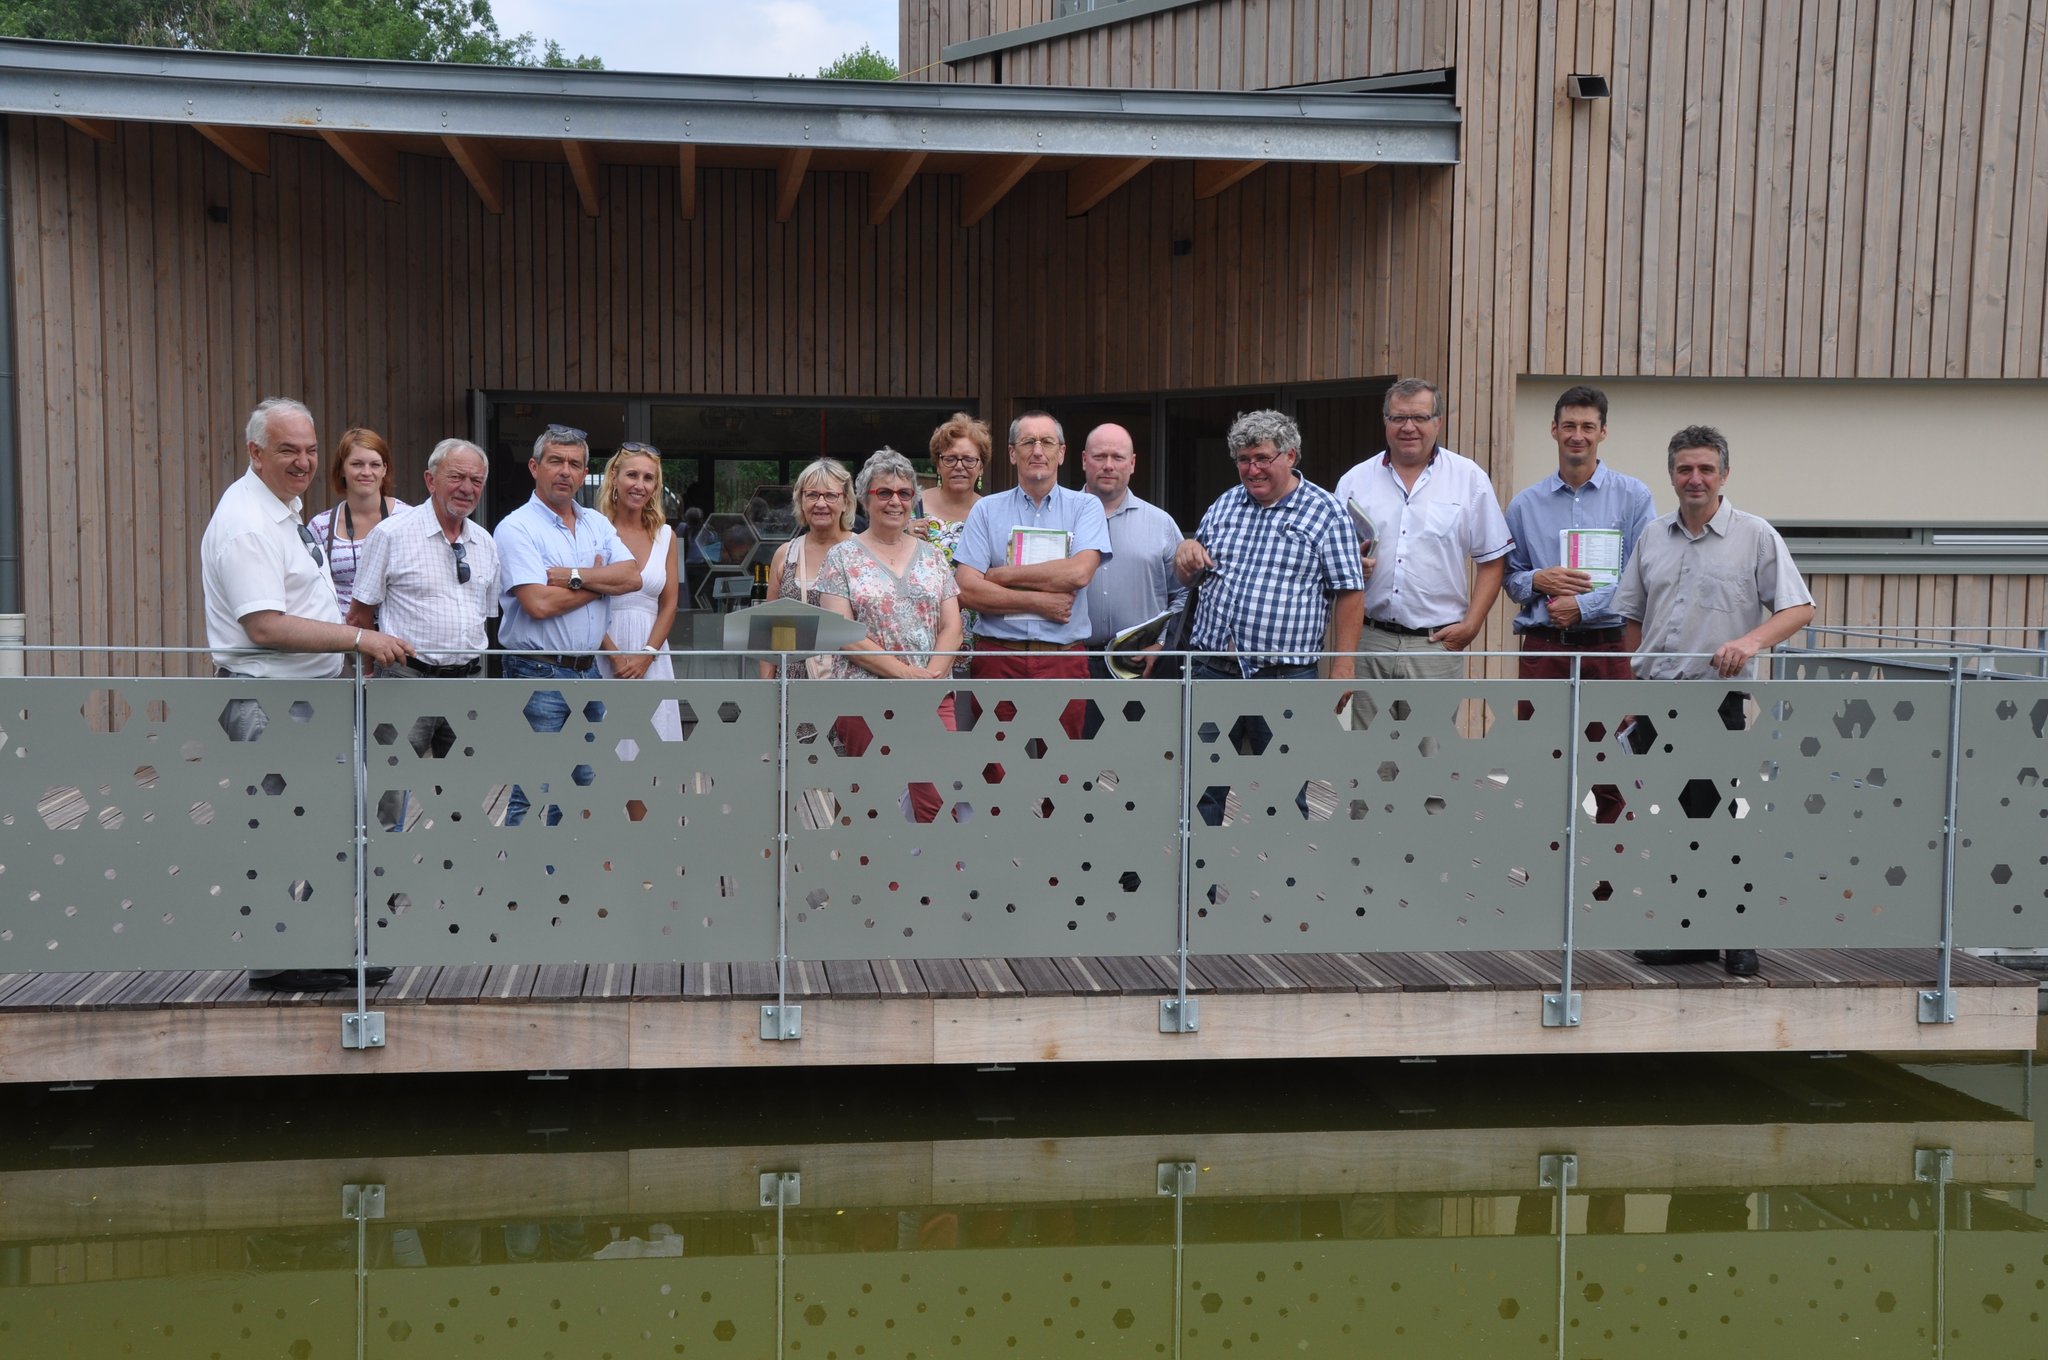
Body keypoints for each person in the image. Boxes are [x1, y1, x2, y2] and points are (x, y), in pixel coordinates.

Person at [200, 396, 410, 991]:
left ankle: (313, 945)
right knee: (281, 830)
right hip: (267, 701)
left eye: (311, 449)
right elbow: (263, 625)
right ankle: (278, 961)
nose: (304, 462)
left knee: (321, 826)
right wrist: (358, 638)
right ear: (255, 452)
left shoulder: (283, 507)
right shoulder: (247, 523)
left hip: (303, 700)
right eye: (288, 449)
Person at [1613, 424, 1816, 978]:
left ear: (1724, 474)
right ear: (1672, 475)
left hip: (1715, 703)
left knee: (1721, 821)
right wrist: (1632, 687)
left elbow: (1798, 609)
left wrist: (1750, 642)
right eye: (1684, 469)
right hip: (1655, 702)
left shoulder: (1755, 536)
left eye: (1705, 468)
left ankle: (1737, 933)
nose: (1694, 478)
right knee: (1668, 823)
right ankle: (1689, 935)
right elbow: (1630, 615)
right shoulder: (1652, 537)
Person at [494, 424, 643, 825]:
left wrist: (570, 576)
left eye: (574, 464)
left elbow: (631, 577)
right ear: (534, 467)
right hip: (536, 672)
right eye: (555, 461)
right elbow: (538, 603)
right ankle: (521, 885)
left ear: (584, 473)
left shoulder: (596, 522)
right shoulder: (515, 528)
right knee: (534, 786)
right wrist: (597, 585)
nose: (565, 471)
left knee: (581, 786)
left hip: (588, 670)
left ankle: (562, 885)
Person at [1332, 379, 1513, 678]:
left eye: (1419, 417)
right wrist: (1352, 565)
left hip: (1436, 645)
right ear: (1385, 422)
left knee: (1431, 728)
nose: (1408, 427)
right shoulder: (1354, 481)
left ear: (1438, 422)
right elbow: (1333, 561)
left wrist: (1472, 624)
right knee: (1365, 728)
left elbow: (1493, 561)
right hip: (1368, 642)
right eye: (1398, 418)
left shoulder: (1469, 479)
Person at [1172, 409, 1363, 681]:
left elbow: (1350, 593)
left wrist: (1344, 667)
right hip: (1211, 670)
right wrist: (1185, 555)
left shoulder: (1327, 512)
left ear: (1290, 456)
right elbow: (1189, 579)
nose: (1253, 469)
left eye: (1262, 458)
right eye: (1244, 460)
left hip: (1285, 677)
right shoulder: (1223, 504)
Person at [1503, 385, 1657, 679]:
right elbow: (1510, 579)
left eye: (1588, 427)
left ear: (1603, 432)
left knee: (1614, 727)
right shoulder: (1524, 505)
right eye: (1569, 426)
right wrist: (1537, 580)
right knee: (1537, 727)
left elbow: (1642, 579)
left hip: (1611, 647)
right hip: (1544, 649)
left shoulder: (1634, 497)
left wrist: (1583, 607)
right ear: (1554, 430)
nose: (1577, 436)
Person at [953, 411, 1110, 688]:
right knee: (994, 734)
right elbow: (966, 589)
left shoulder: (1086, 507)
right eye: (1028, 442)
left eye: (1047, 442)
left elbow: (1078, 573)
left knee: (1065, 735)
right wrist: (1040, 603)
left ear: (1061, 453)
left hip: (1063, 660)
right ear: (1013, 453)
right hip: (998, 658)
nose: (1038, 451)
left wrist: (1000, 576)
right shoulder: (986, 510)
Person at [347, 438, 498, 680]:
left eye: (476, 481)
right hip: (406, 679)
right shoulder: (390, 534)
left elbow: (484, 620)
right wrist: (366, 673)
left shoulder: (486, 543)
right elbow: (358, 616)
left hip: (469, 683)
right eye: (457, 477)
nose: (467, 489)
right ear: (430, 481)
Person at [816, 448, 963, 680]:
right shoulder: (840, 557)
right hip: (862, 701)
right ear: (865, 498)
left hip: (932, 697)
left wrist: (929, 678)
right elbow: (842, 633)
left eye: (904, 493)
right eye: (884, 493)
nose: (895, 501)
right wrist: (906, 674)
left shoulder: (934, 557)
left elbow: (952, 629)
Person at [1078, 423, 1184, 678]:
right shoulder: (1061, 519)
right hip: (1072, 663)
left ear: (1133, 463)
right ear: (1084, 460)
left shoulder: (1162, 524)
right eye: (1099, 456)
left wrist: (1161, 644)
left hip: (1140, 667)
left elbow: (1185, 595)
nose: (1108, 465)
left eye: (1118, 457)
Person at [758, 457, 856, 680]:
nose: (820, 503)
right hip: (793, 684)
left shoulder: (863, 552)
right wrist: (767, 688)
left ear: (846, 502)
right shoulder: (786, 554)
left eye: (830, 495)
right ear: (800, 501)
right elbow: (768, 631)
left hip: (849, 682)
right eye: (812, 495)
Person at [594, 442, 681, 682]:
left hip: (653, 654)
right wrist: (614, 656)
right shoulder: (594, 532)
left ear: (655, 486)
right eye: (632, 475)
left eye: (648, 478)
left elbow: (669, 604)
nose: (639, 485)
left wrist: (647, 655)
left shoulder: (666, 537)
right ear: (614, 477)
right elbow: (585, 604)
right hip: (602, 652)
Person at [911, 412, 990, 674]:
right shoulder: (911, 507)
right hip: (924, 630)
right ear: (937, 464)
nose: (959, 466)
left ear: (981, 466)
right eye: (950, 458)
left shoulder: (993, 512)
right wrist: (900, 537)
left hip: (980, 634)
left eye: (969, 459)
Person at [306, 428, 405, 616]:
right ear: (342, 469)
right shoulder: (321, 527)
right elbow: (309, 589)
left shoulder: (408, 518)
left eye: (375, 465)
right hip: (341, 638)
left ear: (385, 469)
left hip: (395, 638)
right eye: (357, 464)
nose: (366, 472)